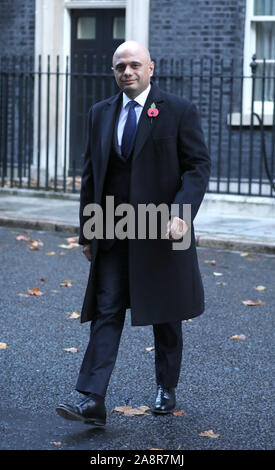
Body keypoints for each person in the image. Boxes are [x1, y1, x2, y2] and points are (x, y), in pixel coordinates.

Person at [56, 41, 211, 427]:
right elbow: (91, 175)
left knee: (165, 313)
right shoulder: (99, 113)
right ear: (114, 72)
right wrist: (88, 232)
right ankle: (92, 399)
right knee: (106, 312)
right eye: (120, 66)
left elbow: (197, 167)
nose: (127, 71)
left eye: (134, 65)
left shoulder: (178, 111)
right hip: (112, 229)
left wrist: (182, 212)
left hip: (162, 229)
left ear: (151, 68)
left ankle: (165, 388)